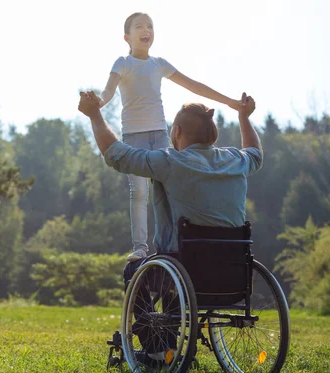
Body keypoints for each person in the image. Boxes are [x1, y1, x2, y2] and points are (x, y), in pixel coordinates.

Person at [99, 12, 243, 261]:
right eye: (139, 26)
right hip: (133, 135)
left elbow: (194, 85)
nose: (146, 30)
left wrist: (230, 102)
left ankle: (171, 243)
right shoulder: (123, 63)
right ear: (127, 37)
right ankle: (140, 247)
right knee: (139, 192)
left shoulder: (159, 64)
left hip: (160, 135)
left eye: (150, 26)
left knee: (166, 190)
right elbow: (108, 90)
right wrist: (97, 104)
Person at [78, 90, 262, 254]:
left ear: (177, 131)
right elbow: (255, 154)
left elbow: (118, 156)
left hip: (183, 264)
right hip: (232, 266)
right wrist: (244, 117)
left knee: (131, 272)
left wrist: (94, 115)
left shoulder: (170, 162)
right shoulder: (236, 160)